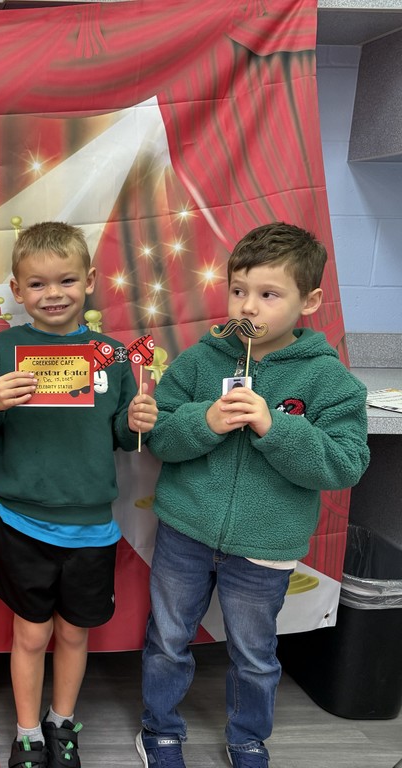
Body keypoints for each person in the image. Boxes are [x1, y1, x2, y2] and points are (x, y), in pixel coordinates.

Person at [136, 222, 370, 768]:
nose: (249, 306)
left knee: (255, 656)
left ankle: (247, 738)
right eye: (239, 290)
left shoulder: (330, 382)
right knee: (168, 639)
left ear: (309, 300)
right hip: (186, 532)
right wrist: (206, 420)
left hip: (267, 543)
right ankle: (160, 730)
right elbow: (160, 441)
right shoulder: (199, 361)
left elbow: (345, 464)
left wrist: (275, 427)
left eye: (269, 294)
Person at [0, 221, 157, 768]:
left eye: (66, 281)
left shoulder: (111, 354)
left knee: (73, 635)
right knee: (30, 634)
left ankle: (61, 722)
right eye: (38, 285)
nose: (53, 295)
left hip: (92, 525)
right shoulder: (3, 348)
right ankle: (27, 732)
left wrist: (137, 419)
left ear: (90, 281)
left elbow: (122, 436)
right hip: (22, 520)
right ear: (17, 290)